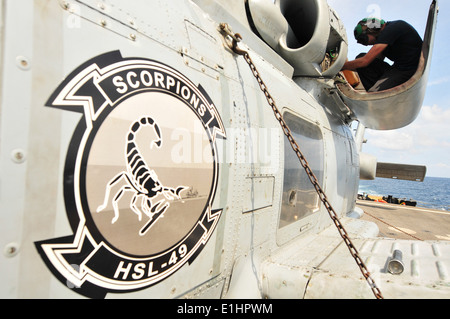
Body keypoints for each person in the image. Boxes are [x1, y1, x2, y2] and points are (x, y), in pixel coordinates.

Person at [341, 18, 423, 92]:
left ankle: (375, 92)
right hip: (398, 69)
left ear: (371, 30)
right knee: (361, 57)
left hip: (409, 72)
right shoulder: (385, 38)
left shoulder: (392, 29)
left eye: (363, 40)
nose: (366, 44)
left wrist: (340, 66)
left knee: (374, 96)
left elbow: (365, 61)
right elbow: (373, 61)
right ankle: (376, 89)